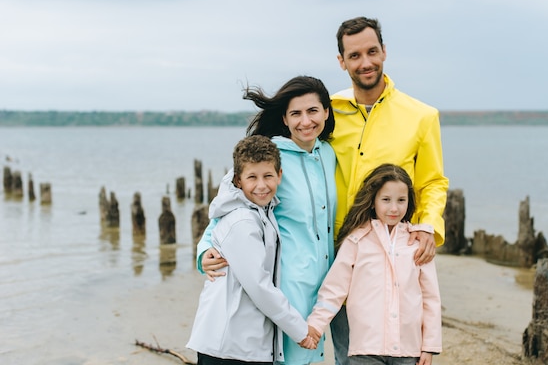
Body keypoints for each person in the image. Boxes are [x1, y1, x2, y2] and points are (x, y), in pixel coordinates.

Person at [328, 17, 449, 365]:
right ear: (342, 61)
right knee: (346, 354)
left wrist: (428, 226)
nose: (365, 62)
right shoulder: (326, 113)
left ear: (384, 52)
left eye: (372, 51)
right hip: (334, 251)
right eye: (354, 55)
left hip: (392, 260)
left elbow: (433, 182)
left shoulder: (422, 116)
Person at [197, 76, 338, 364]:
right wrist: (203, 251)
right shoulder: (268, 157)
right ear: (284, 119)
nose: (305, 121)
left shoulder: (330, 154)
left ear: (326, 112)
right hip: (284, 288)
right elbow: (226, 207)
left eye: (312, 111)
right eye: (296, 114)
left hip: (324, 287)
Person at [186, 135, 320, 365]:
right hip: (229, 348)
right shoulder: (242, 222)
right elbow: (260, 287)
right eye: (252, 177)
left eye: (268, 176)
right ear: (237, 181)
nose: (261, 185)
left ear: (280, 175)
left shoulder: (262, 212)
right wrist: (299, 330)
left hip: (242, 345)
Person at [305, 164, 442, 365]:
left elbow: (431, 300)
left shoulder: (417, 244)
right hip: (365, 348)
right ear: (373, 201)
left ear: (409, 202)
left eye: (401, 200)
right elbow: (335, 288)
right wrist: (316, 324)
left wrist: (429, 347)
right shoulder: (356, 241)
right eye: (386, 200)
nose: (394, 208)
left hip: (408, 349)